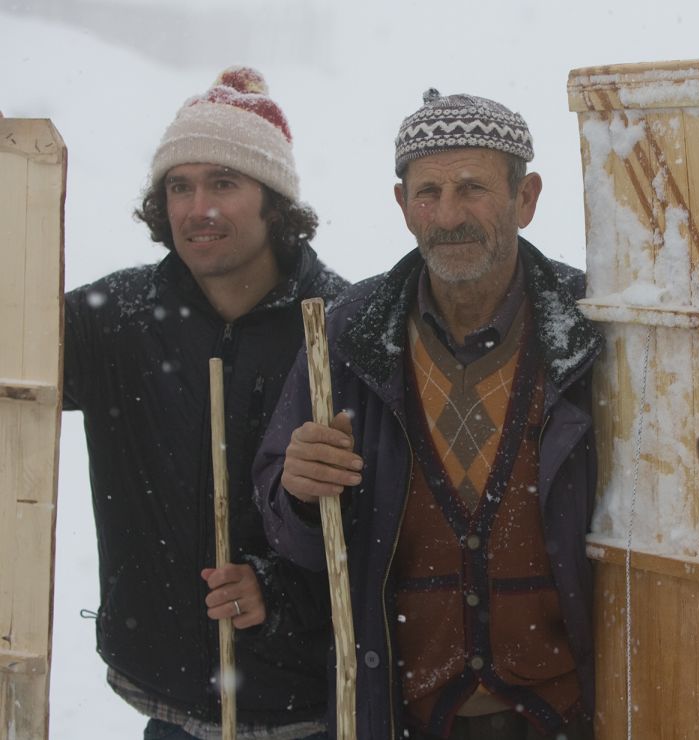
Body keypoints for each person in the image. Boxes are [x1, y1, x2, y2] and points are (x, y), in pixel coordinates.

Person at [253, 89, 603, 740]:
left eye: (472, 188)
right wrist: (297, 491)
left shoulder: (592, 327)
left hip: (566, 713)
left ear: (525, 198)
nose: (447, 215)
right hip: (403, 713)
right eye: (427, 192)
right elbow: (288, 526)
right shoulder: (347, 337)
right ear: (401, 204)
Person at [63, 67, 347, 739]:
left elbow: (386, 522)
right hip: (169, 701)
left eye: (224, 182)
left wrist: (277, 593)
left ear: (273, 200)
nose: (199, 209)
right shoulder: (114, 319)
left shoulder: (341, 326)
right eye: (179, 186)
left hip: (305, 708)